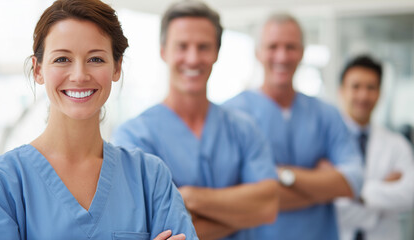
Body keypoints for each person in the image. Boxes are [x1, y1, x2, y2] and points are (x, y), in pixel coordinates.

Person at [0, 0, 198, 239]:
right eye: (62, 59)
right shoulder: (1, 184)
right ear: (38, 70)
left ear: (116, 67)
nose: (80, 75)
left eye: (96, 59)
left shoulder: (150, 178)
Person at [112, 1, 279, 239]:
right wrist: (242, 215)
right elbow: (154, 227)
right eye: (182, 46)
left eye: (203, 47)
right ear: (163, 51)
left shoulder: (244, 128)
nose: (192, 58)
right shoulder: (134, 135)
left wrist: (187, 197)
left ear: (217, 53)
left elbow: (268, 207)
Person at [223, 12, 363, 240]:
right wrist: (322, 186)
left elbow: (353, 181)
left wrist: (281, 175)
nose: (282, 56)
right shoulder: (231, 115)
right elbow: (232, 195)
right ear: (257, 52)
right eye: (273, 46)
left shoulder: (326, 114)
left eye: (291, 47)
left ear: (302, 52)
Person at [335, 55, 414, 240]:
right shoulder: (325, 142)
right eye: (356, 87)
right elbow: (330, 204)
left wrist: (353, 191)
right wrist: (383, 189)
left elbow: (409, 195)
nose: (363, 95)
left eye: (371, 88)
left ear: (380, 93)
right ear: (341, 91)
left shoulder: (397, 144)